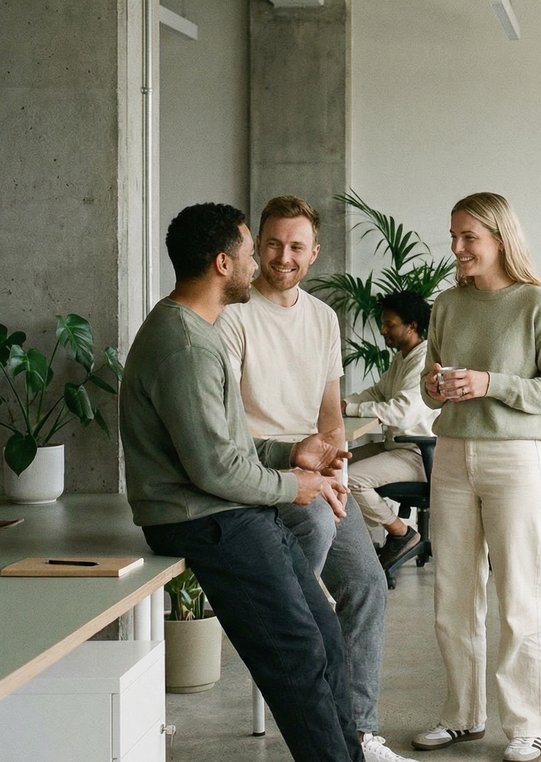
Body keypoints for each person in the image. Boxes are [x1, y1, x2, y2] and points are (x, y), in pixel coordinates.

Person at [122, 202, 362, 761]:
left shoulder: (197, 334)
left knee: (324, 634)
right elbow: (215, 469)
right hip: (203, 520)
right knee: (298, 652)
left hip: (227, 512)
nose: (260, 263)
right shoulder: (184, 345)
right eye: (253, 251)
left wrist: (289, 451)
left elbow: (223, 447)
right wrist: (293, 485)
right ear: (223, 263)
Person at [216, 196, 406, 762]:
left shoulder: (324, 317)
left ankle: (360, 733)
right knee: (315, 544)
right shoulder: (233, 313)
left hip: (317, 477)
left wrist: (339, 470)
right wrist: (303, 473)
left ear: (314, 252)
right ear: (257, 246)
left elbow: (329, 414)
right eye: (272, 243)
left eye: (297, 246)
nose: (283, 256)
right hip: (257, 475)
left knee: (368, 585)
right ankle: (293, 638)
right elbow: (225, 424)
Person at [411, 192, 541, 762]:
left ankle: (527, 724)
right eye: (453, 237)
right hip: (453, 452)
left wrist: (491, 383)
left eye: (468, 238)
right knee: (453, 592)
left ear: (500, 239)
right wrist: (436, 386)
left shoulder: (536, 303)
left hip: (514, 457)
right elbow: (431, 379)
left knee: (519, 595)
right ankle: (461, 715)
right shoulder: (447, 304)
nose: (456, 249)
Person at [343, 289, 438, 570]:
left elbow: (402, 413)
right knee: (335, 467)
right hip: (396, 447)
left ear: (412, 326)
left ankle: (401, 533)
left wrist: (349, 410)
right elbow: (377, 393)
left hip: (417, 453)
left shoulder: (422, 361)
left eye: (390, 325)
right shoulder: (403, 358)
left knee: (349, 480)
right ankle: (361, 541)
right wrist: (341, 403)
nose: (383, 330)